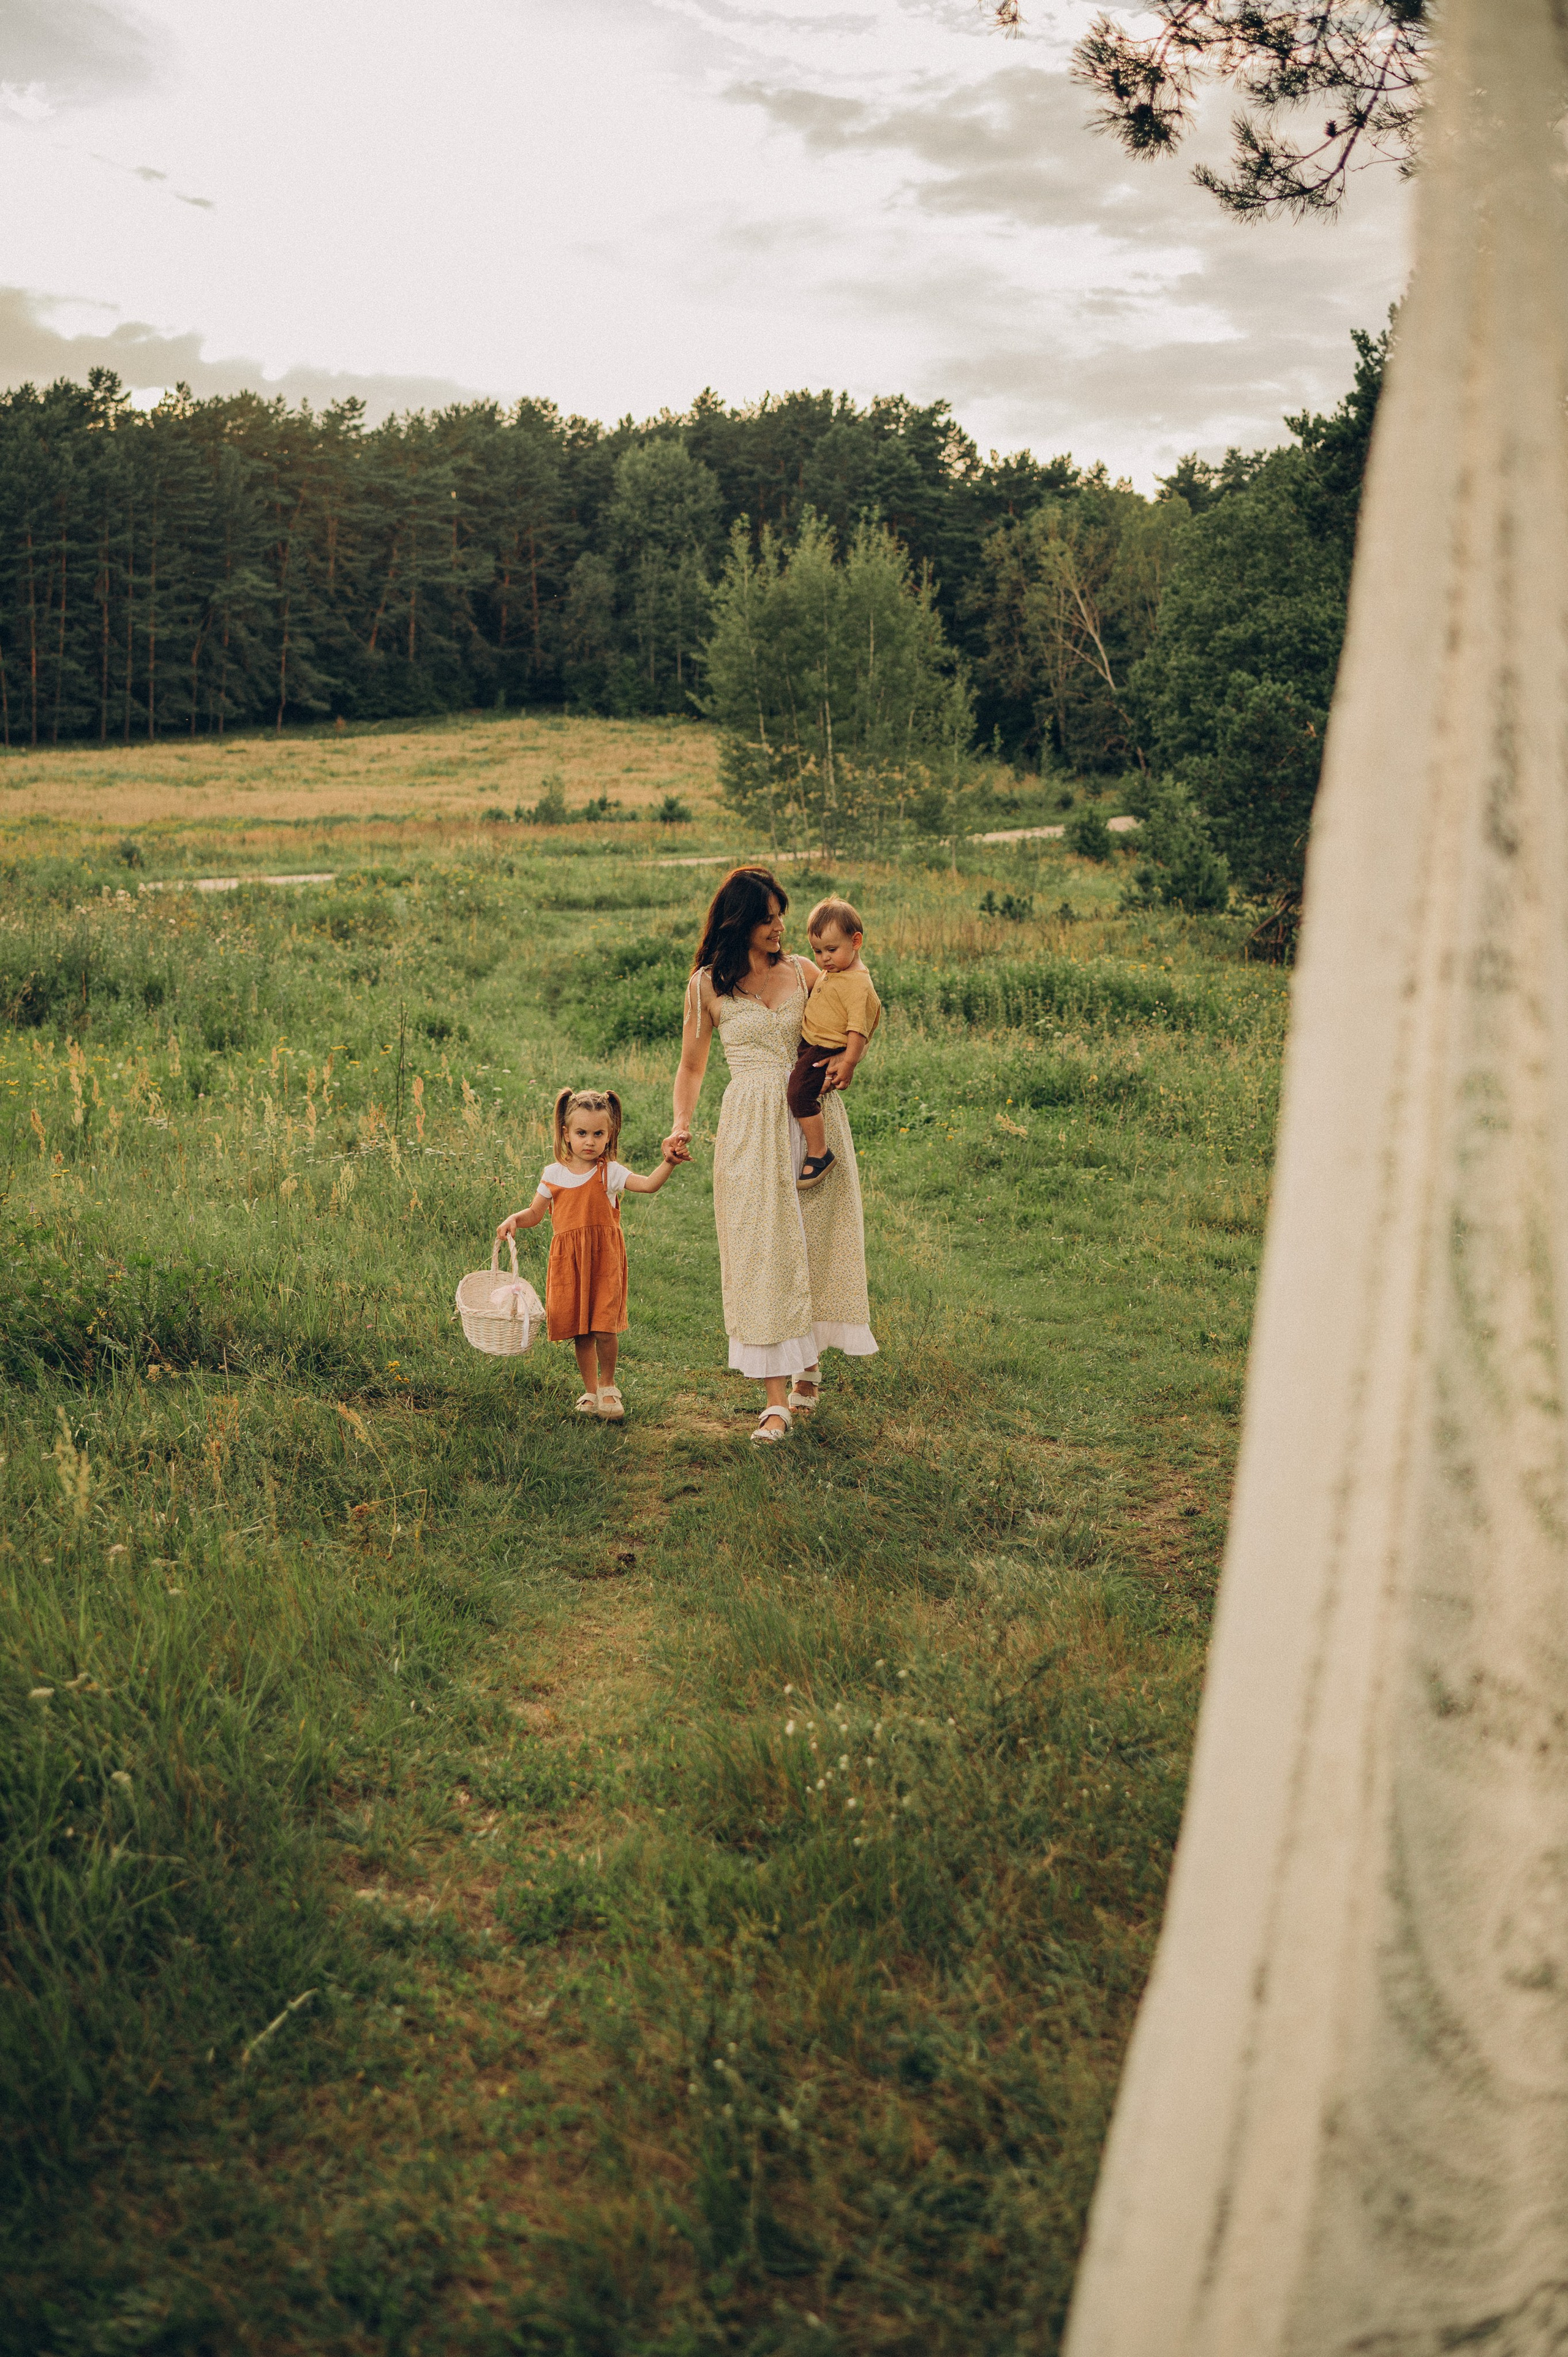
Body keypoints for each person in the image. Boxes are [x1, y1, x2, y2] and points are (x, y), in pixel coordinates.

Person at [665, 866, 876, 1445]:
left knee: (813, 1242)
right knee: (763, 1252)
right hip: (749, 1126)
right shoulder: (706, 985)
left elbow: (855, 1009)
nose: (780, 928)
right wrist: (681, 1123)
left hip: (810, 1118)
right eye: (768, 919)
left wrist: (845, 1062)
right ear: (740, 923)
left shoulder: (806, 971)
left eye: (782, 915)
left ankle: (809, 1364)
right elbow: (691, 1066)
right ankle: (774, 1402)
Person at [496, 1087, 678, 1421]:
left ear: (610, 1135)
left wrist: (668, 1162)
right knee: (581, 1330)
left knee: (604, 1328)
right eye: (582, 1133)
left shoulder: (610, 1173)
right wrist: (514, 1220)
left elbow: (649, 1185)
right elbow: (535, 1215)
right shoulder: (553, 1175)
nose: (590, 1141)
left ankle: (609, 1387)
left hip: (604, 1261)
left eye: (598, 1134)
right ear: (566, 1134)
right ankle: (590, 1390)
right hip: (569, 1263)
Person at [786, 896, 881, 1189]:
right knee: (810, 1083)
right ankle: (823, 1083)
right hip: (813, 1046)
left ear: (856, 941)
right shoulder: (835, 972)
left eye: (831, 949)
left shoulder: (858, 983)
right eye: (817, 951)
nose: (824, 958)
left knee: (799, 1095)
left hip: (823, 1049)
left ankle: (819, 1153)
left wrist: (849, 1062)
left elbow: (858, 1030)